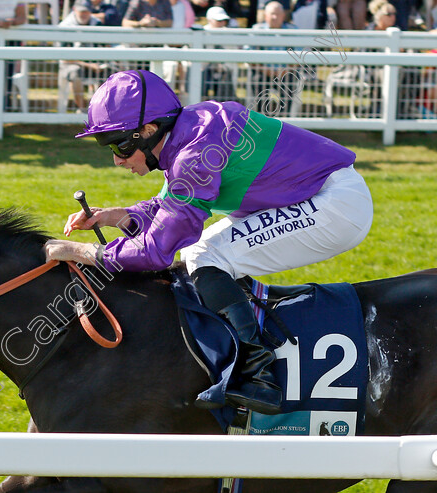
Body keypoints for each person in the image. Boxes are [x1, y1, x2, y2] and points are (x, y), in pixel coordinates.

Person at [43, 70, 373, 414]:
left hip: (334, 205)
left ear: (150, 130)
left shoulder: (194, 154)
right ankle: (248, 351)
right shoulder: (193, 129)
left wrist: (86, 252)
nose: (117, 159)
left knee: (208, 257)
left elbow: (157, 250)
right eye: (108, 146)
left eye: (121, 145)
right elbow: (169, 206)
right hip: (313, 195)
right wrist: (117, 215)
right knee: (201, 254)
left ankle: (258, 375)